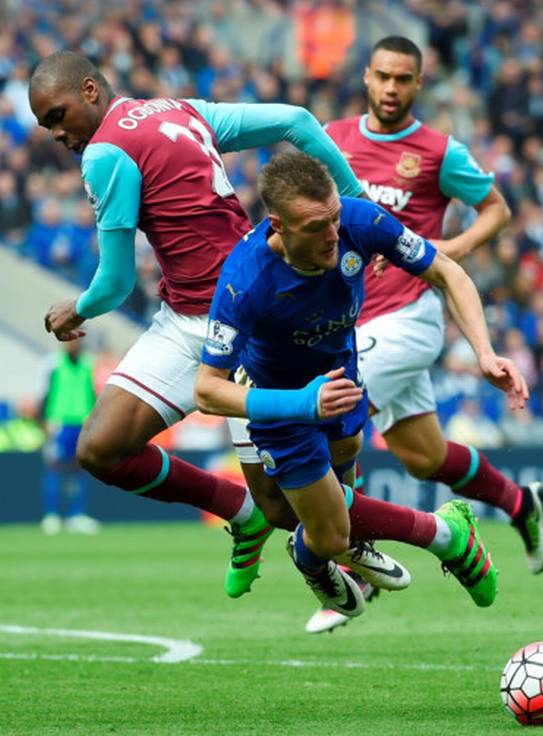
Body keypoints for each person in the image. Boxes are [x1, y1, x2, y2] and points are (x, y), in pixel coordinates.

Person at [28, 51, 368, 595]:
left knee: (287, 507)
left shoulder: (106, 153)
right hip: (186, 315)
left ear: (90, 89)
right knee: (100, 447)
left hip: (240, 327)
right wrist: (356, 202)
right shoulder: (179, 110)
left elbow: (113, 284)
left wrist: (75, 310)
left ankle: (439, 535)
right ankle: (243, 513)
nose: (56, 133)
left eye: (58, 115)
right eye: (47, 124)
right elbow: (297, 122)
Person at [196, 151, 530, 617]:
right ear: (278, 226)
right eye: (316, 227)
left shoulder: (359, 220)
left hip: (343, 382)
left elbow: (447, 272)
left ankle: (313, 558)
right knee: (331, 532)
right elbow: (207, 390)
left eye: (334, 217)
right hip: (282, 403)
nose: (334, 235)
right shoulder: (243, 281)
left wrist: (485, 352)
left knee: (336, 518)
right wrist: (301, 404)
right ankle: (448, 535)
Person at [306, 36, 543, 632]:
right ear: (367, 77)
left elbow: (495, 207)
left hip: (411, 317)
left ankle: (357, 565)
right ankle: (522, 504)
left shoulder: (439, 152)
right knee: (425, 458)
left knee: (334, 415)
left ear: (419, 84)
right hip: (353, 318)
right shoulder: (333, 139)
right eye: (383, 76)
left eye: (404, 79)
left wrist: (454, 247)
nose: (392, 88)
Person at [37, 339, 100, 534]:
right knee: (54, 468)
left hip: (82, 423)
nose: (74, 342)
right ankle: (52, 516)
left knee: (80, 469)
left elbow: (92, 394)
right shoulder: (52, 363)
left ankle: (76, 515)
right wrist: (44, 421)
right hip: (59, 423)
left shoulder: (88, 363)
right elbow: (43, 394)